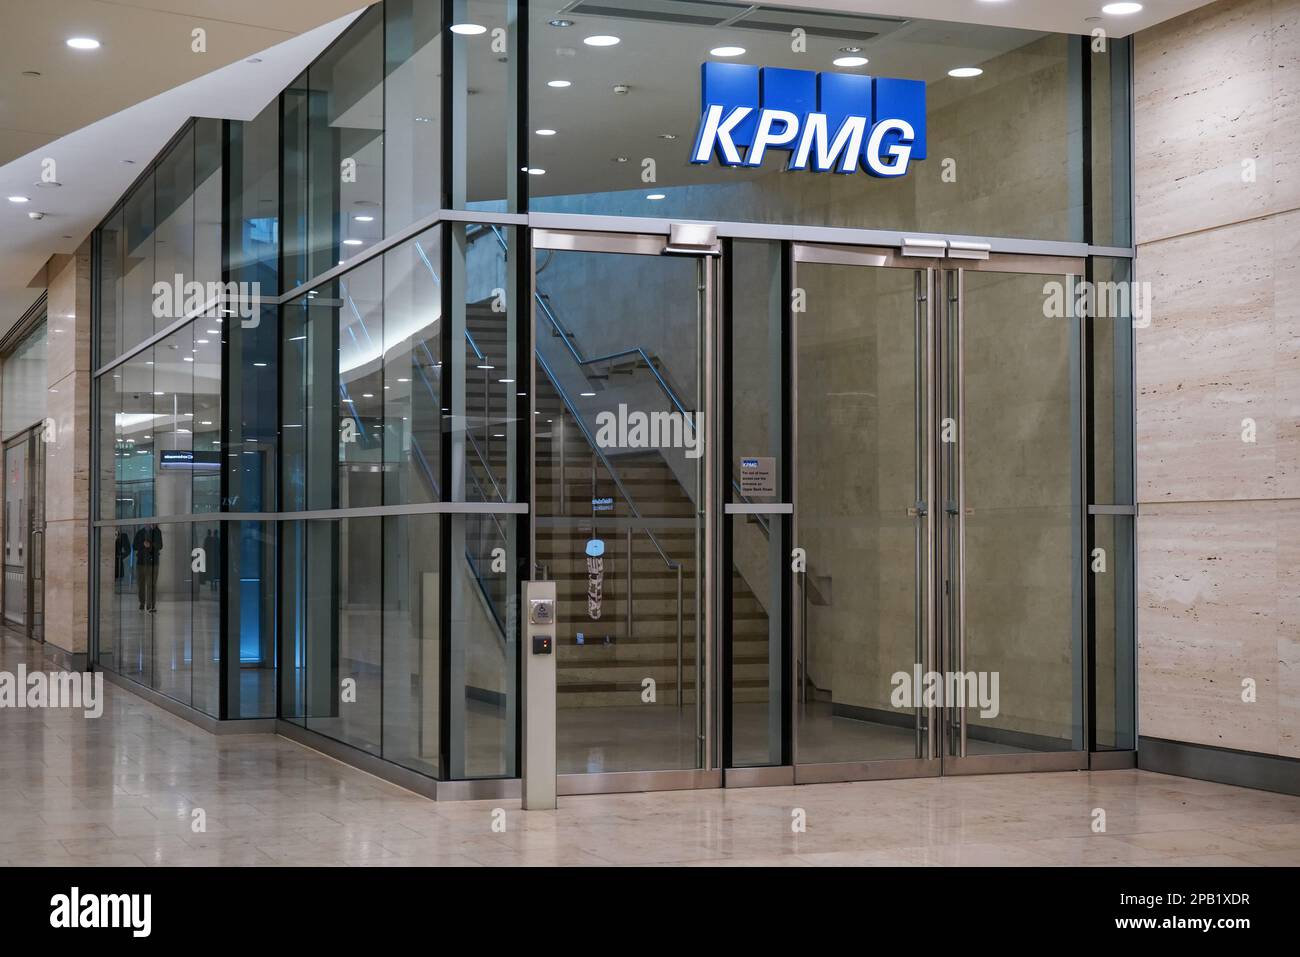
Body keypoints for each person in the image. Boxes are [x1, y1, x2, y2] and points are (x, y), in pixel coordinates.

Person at [133, 524, 163, 612]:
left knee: (152, 584)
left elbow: (160, 546)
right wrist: (143, 544)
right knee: (141, 584)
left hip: (153, 562)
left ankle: (151, 605)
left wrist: (150, 545)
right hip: (141, 562)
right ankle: (142, 603)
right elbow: (134, 546)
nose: (149, 524)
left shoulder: (157, 532)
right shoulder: (140, 532)